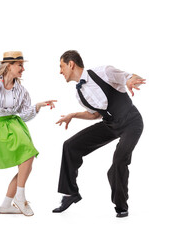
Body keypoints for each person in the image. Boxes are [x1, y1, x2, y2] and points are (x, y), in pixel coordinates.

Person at [53, 50, 145, 218]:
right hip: (110, 124)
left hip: (131, 122)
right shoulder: (79, 94)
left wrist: (132, 81)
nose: (60, 71)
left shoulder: (103, 72)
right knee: (70, 146)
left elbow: (128, 77)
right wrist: (73, 115)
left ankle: (121, 206)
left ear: (71, 64)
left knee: (118, 161)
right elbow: (96, 115)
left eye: (61, 66)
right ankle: (70, 193)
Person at [0, 51, 56, 217]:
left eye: (23, 65)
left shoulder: (21, 90)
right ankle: (16, 198)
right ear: (9, 66)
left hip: (15, 125)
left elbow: (25, 115)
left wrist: (37, 106)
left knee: (28, 158)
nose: (23, 69)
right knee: (27, 158)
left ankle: (10, 202)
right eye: (20, 65)